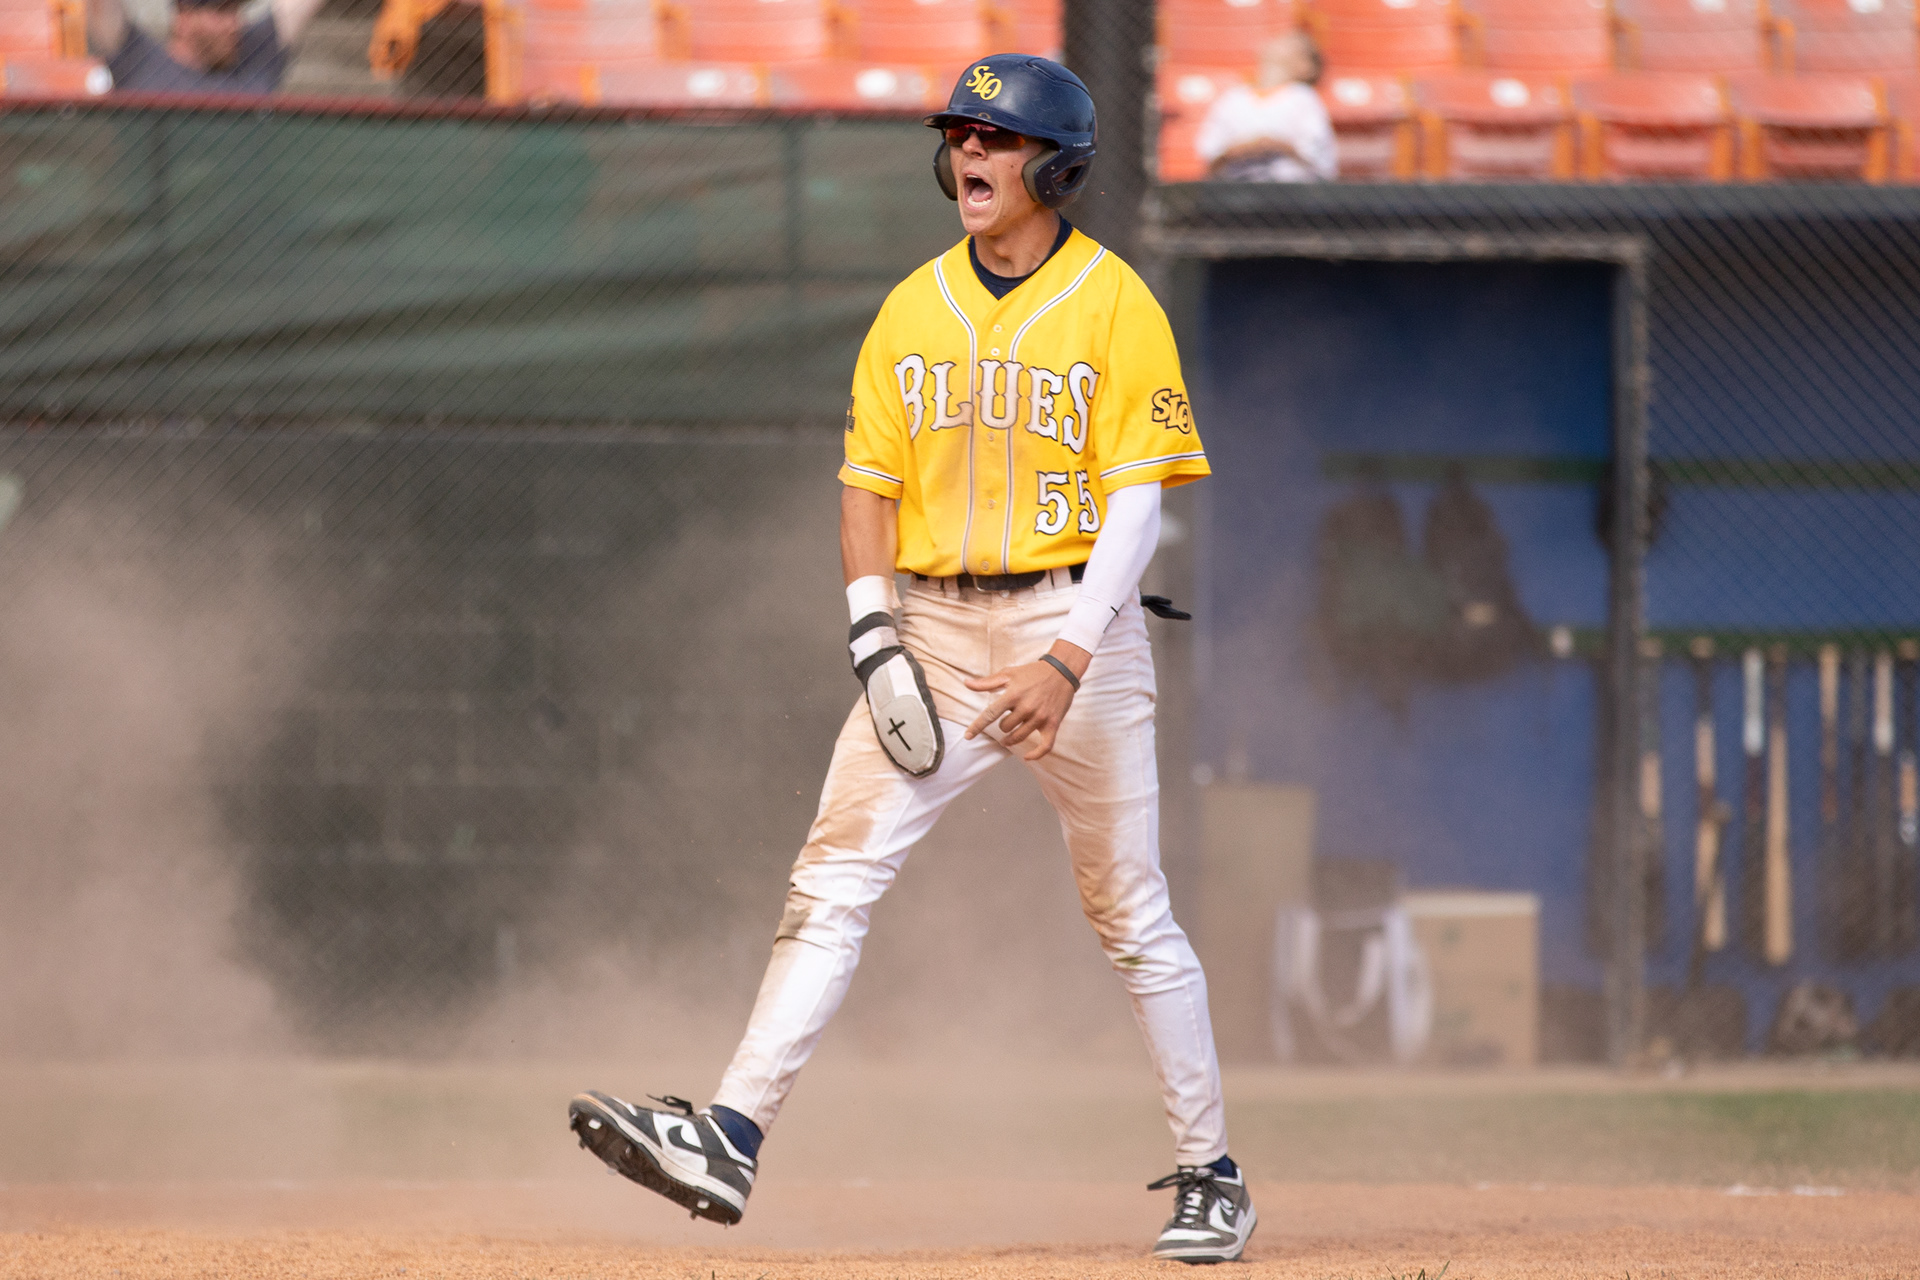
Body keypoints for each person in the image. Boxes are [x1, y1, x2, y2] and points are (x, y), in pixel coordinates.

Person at [569, 53, 1255, 1267]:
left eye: (996, 138)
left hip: (1072, 621)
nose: (970, 157)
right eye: (959, 135)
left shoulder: (1114, 305)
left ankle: (1214, 1173)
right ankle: (728, 1132)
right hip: (932, 627)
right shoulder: (911, 307)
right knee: (829, 880)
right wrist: (874, 635)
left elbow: (1137, 507)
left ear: (1060, 164)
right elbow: (865, 489)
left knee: (1130, 911)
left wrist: (1067, 656)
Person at [87, 0, 325, 94]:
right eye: (220, 12)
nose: (233, 23)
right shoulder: (137, 60)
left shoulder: (256, 53)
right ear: (183, 16)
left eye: (235, 11)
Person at [1195, 31, 1337, 183]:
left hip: (1289, 194)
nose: (1279, 46)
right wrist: (1242, 149)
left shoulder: (1304, 98)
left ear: (1307, 67)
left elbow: (1316, 159)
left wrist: (1275, 145)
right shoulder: (1232, 98)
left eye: (1295, 47)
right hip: (1236, 192)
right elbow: (1211, 155)